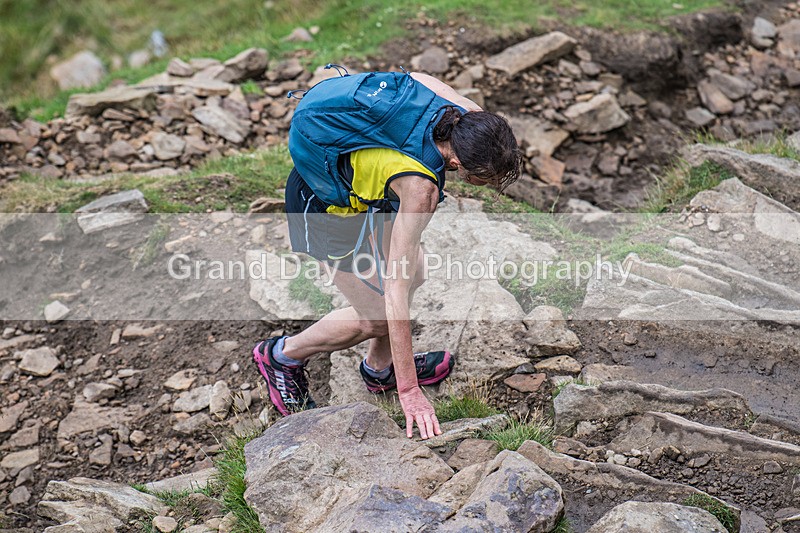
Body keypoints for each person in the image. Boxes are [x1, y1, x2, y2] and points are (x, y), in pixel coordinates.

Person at [253, 71, 522, 440]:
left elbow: (415, 76)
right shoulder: (420, 189)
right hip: (324, 207)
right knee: (378, 317)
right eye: (486, 178)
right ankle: (282, 356)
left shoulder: (464, 114)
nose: (490, 186)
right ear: (458, 164)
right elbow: (395, 289)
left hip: (371, 189)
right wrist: (410, 392)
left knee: (419, 269)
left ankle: (379, 369)